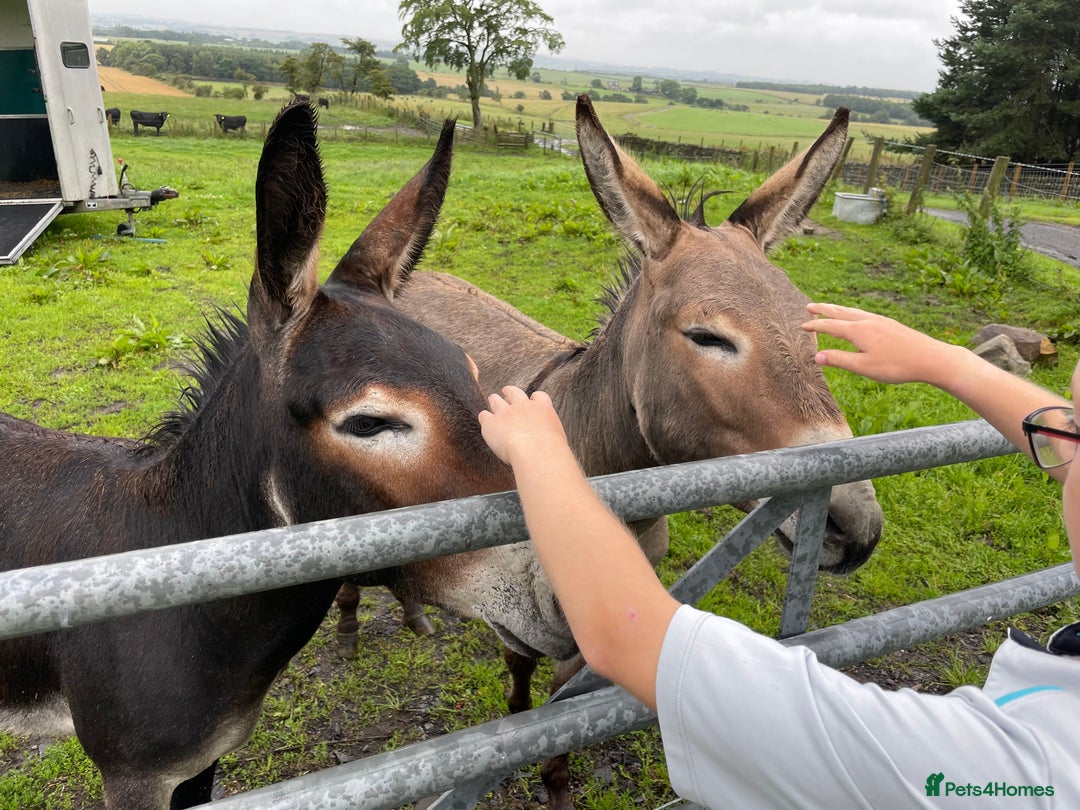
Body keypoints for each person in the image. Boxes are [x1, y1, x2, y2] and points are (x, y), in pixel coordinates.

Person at [478, 302, 1079, 809]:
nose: (1067, 446)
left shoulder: (979, 774)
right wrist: (948, 362)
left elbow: (625, 634)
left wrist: (537, 450)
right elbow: (1060, 443)